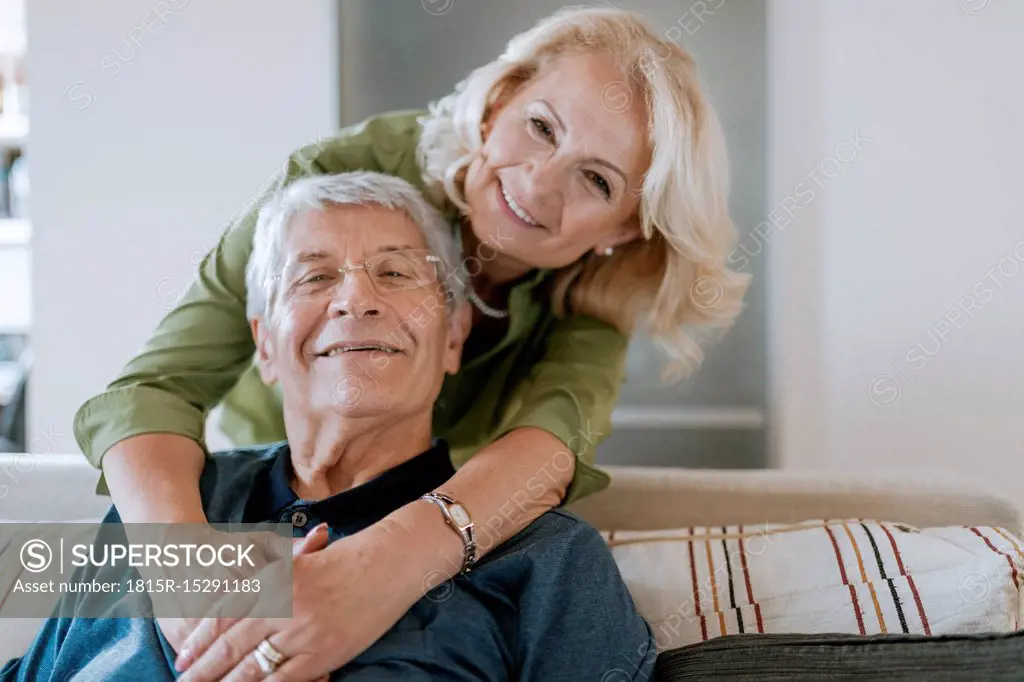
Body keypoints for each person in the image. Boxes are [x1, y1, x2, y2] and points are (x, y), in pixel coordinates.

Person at [73, 6, 749, 677]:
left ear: (625, 228)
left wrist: (377, 569)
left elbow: (551, 448)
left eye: (596, 178)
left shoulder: (589, 313)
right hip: (274, 470)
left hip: (433, 499)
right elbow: (153, 390)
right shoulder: (340, 179)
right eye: (540, 128)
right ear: (496, 103)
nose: (539, 184)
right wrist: (186, 583)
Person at [3, 172, 656, 682]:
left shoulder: (544, 554)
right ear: (263, 344)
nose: (355, 298)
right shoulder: (166, 504)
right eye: (314, 276)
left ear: (455, 335)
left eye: (397, 272)